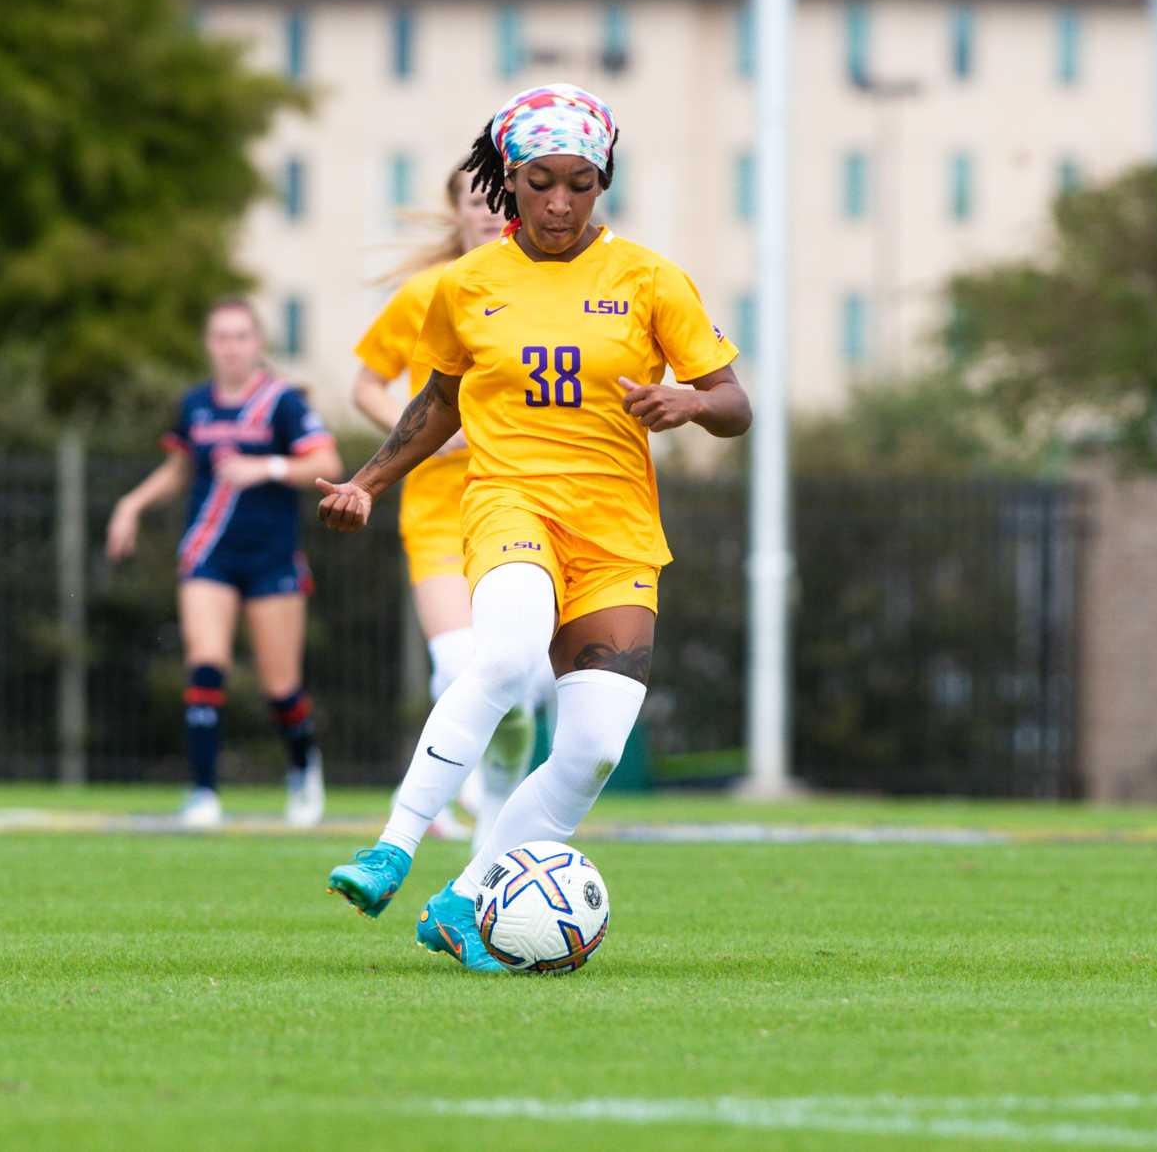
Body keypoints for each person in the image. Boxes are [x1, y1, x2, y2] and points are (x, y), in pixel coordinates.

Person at [318, 84, 750, 970]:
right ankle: (392, 846)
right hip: (510, 503)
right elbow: (437, 403)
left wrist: (690, 400)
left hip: (619, 533)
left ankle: (464, 899)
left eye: (580, 183)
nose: (560, 202)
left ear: (603, 181)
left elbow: (736, 403)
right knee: (507, 656)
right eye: (541, 182)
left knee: (590, 750)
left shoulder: (650, 277)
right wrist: (369, 480)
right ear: (507, 181)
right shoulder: (465, 286)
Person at [352, 168, 543, 843]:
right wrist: (423, 439)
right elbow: (368, 385)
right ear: (457, 214)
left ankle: (490, 806)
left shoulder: (546, 292)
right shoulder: (428, 292)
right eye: (476, 202)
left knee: (520, 685)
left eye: (500, 201)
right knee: (461, 663)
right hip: (438, 515)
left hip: (526, 509)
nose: (490, 213)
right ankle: (432, 801)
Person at [106, 299, 344, 829]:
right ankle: (203, 793)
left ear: (258, 343)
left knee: (281, 687)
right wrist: (131, 505)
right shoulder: (195, 404)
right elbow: (178, 471)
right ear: (209, 344)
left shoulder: (281, 403)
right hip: (209, 553)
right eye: (221, 337)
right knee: (206, 661)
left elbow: (328, 463)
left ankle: (304, 767)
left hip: (271, 557)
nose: (231, 347)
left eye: (240, 336)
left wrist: (267, 467)